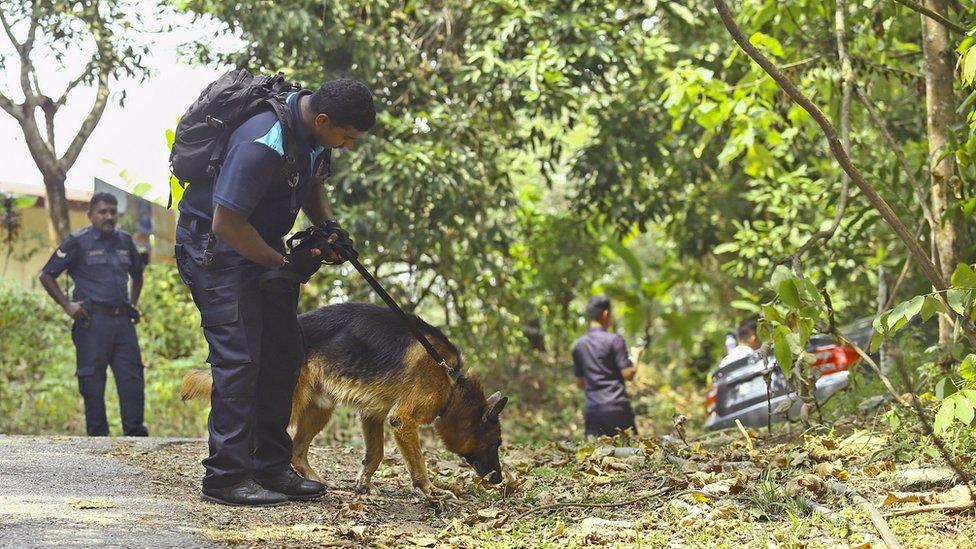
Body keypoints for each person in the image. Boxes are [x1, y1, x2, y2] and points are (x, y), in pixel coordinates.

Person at [175, 78, 375, 507]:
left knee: (284, 353)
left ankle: (271, 465)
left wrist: (329, 229)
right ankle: (226, 477)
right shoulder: (262, 141)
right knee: (240, 359)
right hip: (216, 251)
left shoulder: (315, 137)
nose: (348, 145)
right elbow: (225, 225)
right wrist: (282, 264)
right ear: (322, 120)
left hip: (260, 247)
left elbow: (314, 182)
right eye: (346, 137)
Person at [38, 192, 149, 438]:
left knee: (132, 380)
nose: (109, 216)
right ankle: (99, 445)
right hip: (92, 323)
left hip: (123, 322)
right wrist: (67, 306)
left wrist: (133, 302)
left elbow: (138, 273)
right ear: (90, 215)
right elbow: (46, 275)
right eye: (103, 212)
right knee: (92, 384)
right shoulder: (77, 242)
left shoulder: (125, 241)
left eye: (112, 211)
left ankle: (137, 441)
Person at [571, 296, 643, 437]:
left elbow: (580, 384)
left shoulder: (578, 346)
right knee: (632, 454)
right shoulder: (615, 340)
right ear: (606, 314)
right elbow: (628, 374)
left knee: (595, 456)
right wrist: (636, 356)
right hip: (617, 407)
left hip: (592, 410)